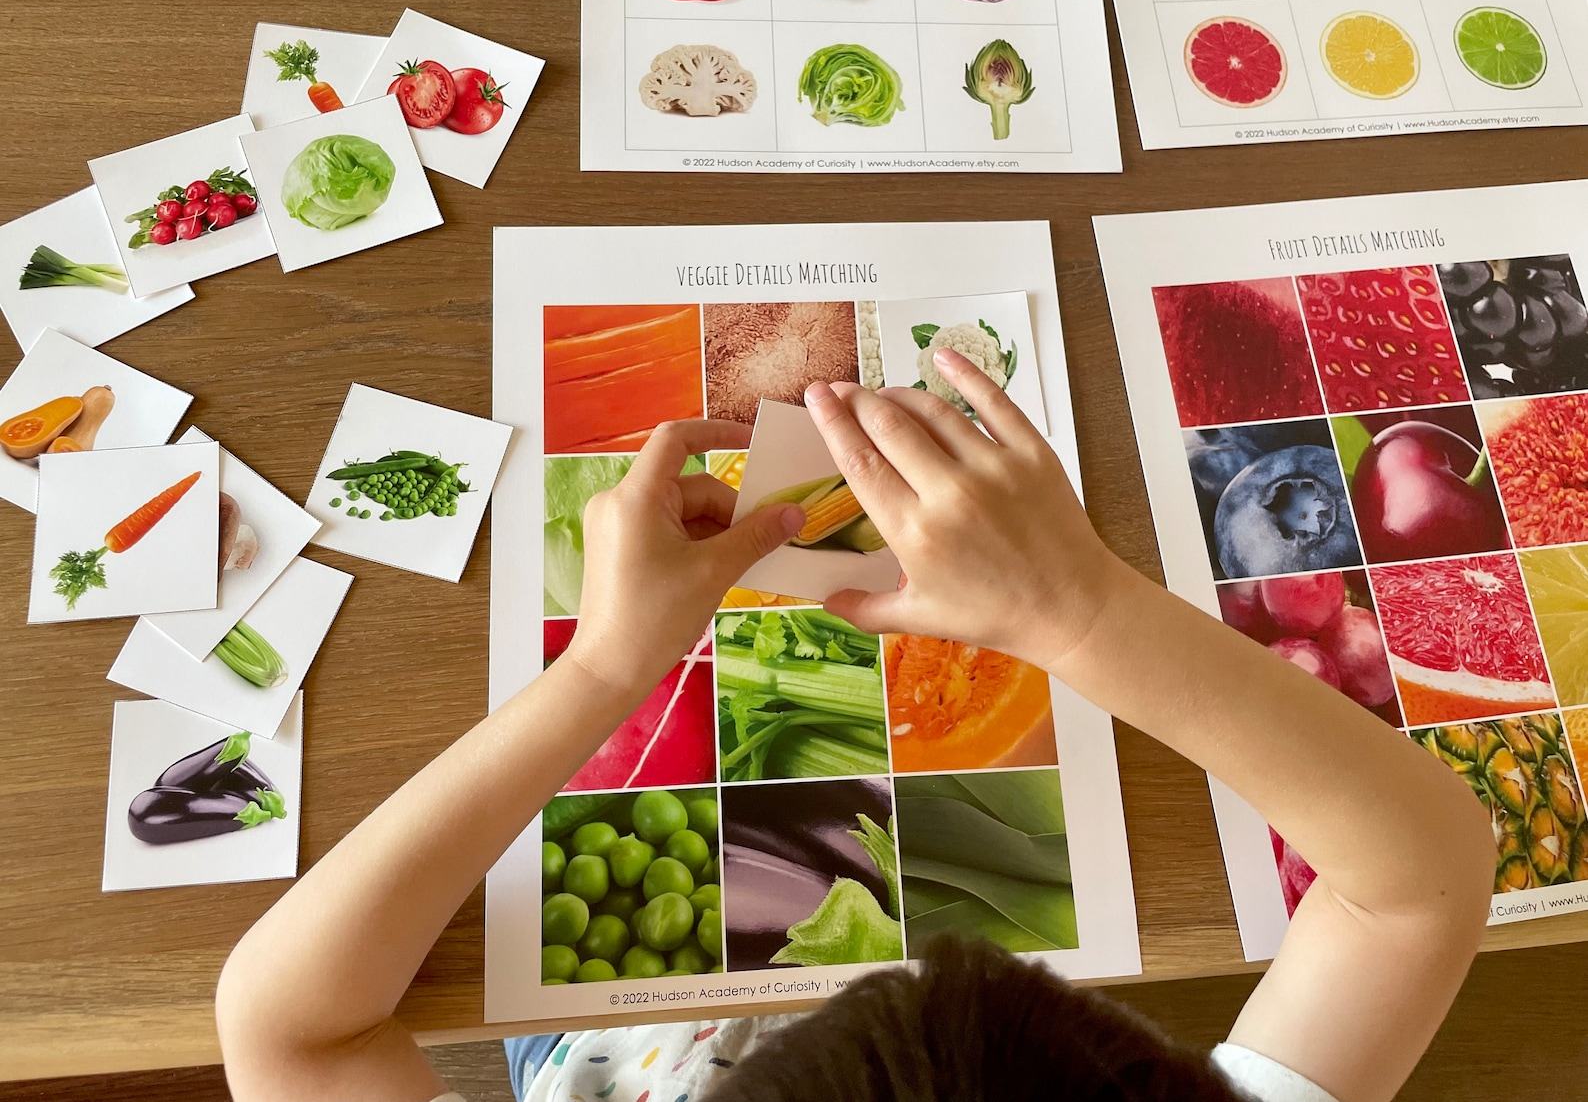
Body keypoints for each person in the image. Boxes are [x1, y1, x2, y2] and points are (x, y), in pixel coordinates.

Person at [217, 348, 1495, 1102]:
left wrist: (602, 669)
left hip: (611, 1046)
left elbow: (294, 1027)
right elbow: (1420, 882)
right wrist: (1082, 611)